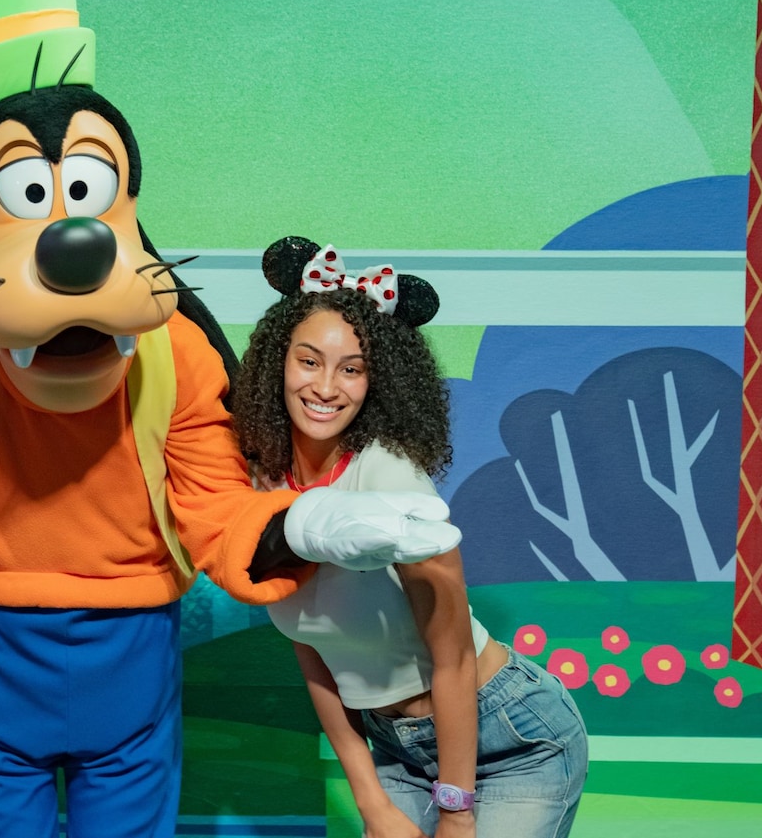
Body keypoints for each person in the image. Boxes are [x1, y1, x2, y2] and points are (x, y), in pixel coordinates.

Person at [232, 238, 589, 838]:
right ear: (277, 363)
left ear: (377, 382)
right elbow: (313, 654)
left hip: (509, 733)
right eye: (309, 361)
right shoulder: (261, 484)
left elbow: (452, 658)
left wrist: (455, 810)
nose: (327, 387)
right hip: (396, 746)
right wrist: (371, 803)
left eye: (352, 369)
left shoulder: (389, 478)